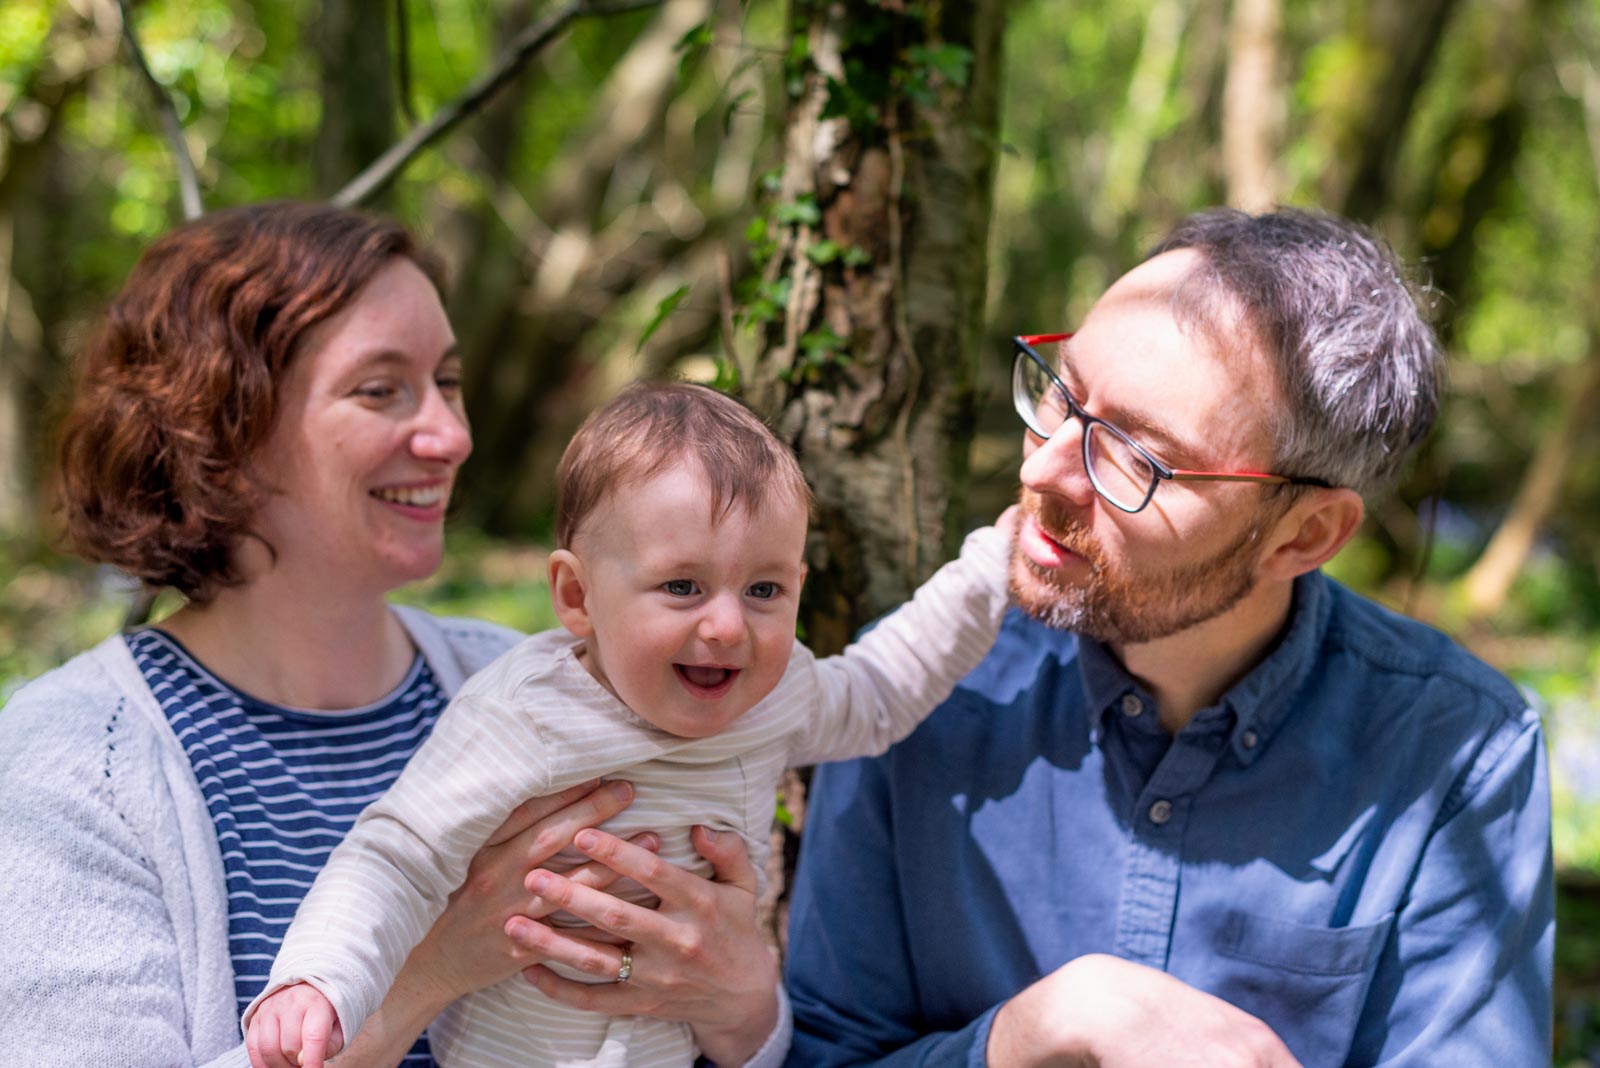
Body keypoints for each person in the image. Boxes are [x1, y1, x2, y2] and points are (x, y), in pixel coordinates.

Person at [0, 202, 786, 1068]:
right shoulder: (70, 769)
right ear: (223, 428)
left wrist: (743, 1007)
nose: (452, 436)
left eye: (447, 383)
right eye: (381, 390)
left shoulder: (531, 686)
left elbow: (704, 1035)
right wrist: (428, 973)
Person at [783, 207, 1554, 1066]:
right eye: (1061, 392)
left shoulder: (1453, 753)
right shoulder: (914, 687)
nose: (1042, 469)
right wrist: (1029, 1036)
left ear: (1303, 537)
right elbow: (820, 1053)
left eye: (1136, 458)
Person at [244, 381, 1016, 1068]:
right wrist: (319, 980)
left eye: (764, 589)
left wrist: (993, 568)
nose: (727, 627)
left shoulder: (776, 696)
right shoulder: (526, 714)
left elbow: (880, 690)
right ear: (577, 598)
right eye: (682, 585)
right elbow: (399, 853)